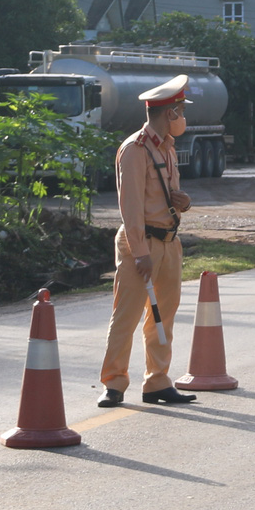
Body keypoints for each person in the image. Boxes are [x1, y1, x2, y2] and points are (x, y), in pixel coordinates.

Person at [98, 76, 198, 407]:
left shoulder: (166, 147)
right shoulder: (134, 150)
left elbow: (162, 197)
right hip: (140, 244)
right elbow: (130, 208)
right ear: (169, 112)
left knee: (162, 316)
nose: (183, 117)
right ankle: (114, 383)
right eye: (180, 110)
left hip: (169, 242)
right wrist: (141, 253)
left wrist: (181, 202)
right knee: (126, 316)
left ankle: (157, 381)